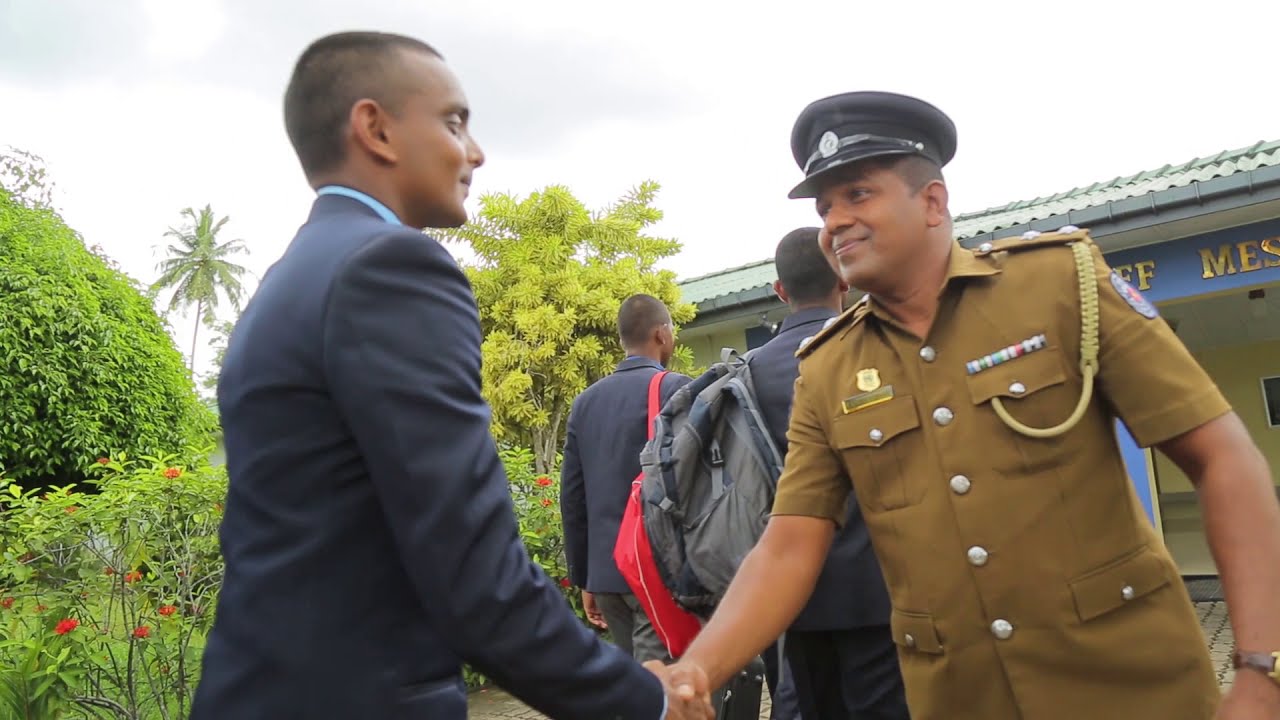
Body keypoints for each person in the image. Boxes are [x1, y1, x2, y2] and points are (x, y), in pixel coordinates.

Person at [651, 91, 1280, 719]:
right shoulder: (829, 367)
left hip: (1130, 689)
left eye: (858, 195)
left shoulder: (1062, 285)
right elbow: (788, 544)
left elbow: (1220, 458)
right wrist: (698, 669)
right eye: (825, 208)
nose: (834, 221)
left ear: (932, 201)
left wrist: (1261, 668)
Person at [192, 31, 710, 720]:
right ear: (375, 128)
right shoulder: (392, 269)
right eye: (454, 121)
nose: (475, 152)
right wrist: (644, 701)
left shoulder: (288, 279)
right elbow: (474, 570)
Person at [748, 227, 908, 720]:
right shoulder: (877, 348)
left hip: (794, 592)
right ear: (843, 278)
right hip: (883, 585)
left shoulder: (746, 372)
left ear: (780, 290)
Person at [560, 294, 692, 662]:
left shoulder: (584, 403)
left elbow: (572, 498)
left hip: (607, 576)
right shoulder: (678, 389)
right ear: (662, 334)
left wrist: (585, 575)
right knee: (665, 691)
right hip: (659, 573)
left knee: (638, 688)